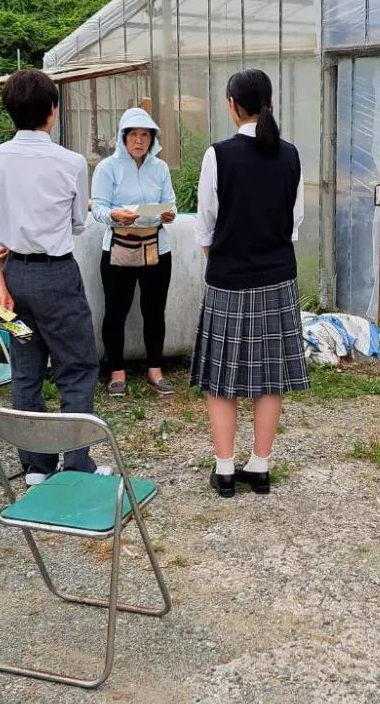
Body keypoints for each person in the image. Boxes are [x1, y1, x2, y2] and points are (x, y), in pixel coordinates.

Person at [0, 68, 108, 483]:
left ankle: (36, 465)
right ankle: (76, 462)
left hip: (14, 283)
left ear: (9, 110)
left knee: (27, 367)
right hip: (58, 280)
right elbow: (78, 223)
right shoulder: (69, 162)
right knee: (76, 367)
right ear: (52, 110)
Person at [191, 68, 309, 498]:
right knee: (269, 376)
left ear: (232, 105)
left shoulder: (218, 155)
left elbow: (205, 228)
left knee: (222, 377)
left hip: (228, 279)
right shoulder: (292, 154)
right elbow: (293, 226)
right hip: (278, 278)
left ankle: (224, 469)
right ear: (268, 103)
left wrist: (223, 258)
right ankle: (259, 466)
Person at [91, 108, 177, 397]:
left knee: (154, 310)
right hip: (120, 245)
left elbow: (170, 202)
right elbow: (98, 208)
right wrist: (115, 214)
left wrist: (168, 214)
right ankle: (116, 371)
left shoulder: (160, 168)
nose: (139, 140)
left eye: (145, 135)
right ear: (123, 137)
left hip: (156, 245)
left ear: (152, 139)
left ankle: (155, 370)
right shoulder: (108, 168)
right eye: (133, 134)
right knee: (116, 311)